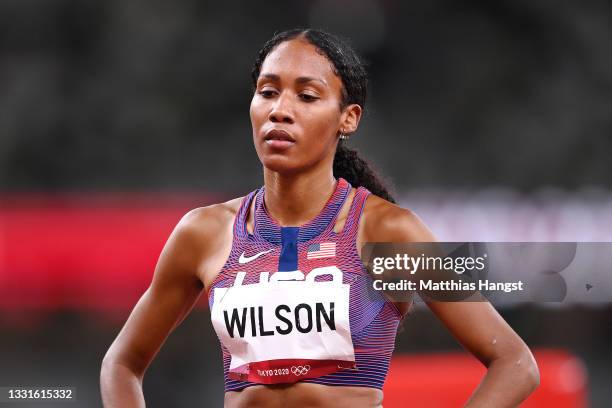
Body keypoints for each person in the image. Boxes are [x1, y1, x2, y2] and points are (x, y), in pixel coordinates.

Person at [100, 28, 540, 408]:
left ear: (347, 119)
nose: (280, 110)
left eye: (306, 96)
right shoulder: (206, 233)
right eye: (267, 91)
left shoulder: (386, 232)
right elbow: (122, 363)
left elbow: (515, 364)